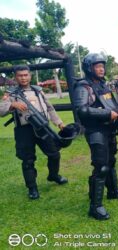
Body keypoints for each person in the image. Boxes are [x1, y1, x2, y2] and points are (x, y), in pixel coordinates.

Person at [74, 53, 118, 220]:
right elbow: (82, 111)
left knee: (111, 161)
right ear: (89, 68)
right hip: (95, 131)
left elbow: (111, 103)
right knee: (101, 166)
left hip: (109, 129)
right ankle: (95, 206)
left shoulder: (103, 85)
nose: (101, 68)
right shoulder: (83, 87)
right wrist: (107, 114)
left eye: (102, 66)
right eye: (97, 66)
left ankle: (113, 191)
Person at [0, 65, 67, 200]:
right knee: (28, 160)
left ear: (30, 76)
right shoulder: (11, 93)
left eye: (26, 75)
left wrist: (59, 122)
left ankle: (53, 175)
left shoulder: (38, 90)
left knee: (54, 153)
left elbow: (50, 108)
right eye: (20, 75)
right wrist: (12, 105)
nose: (23, 78)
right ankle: (32, 188)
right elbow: (1, 110)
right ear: (15, 77)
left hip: (43, 128)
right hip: (24, 131)